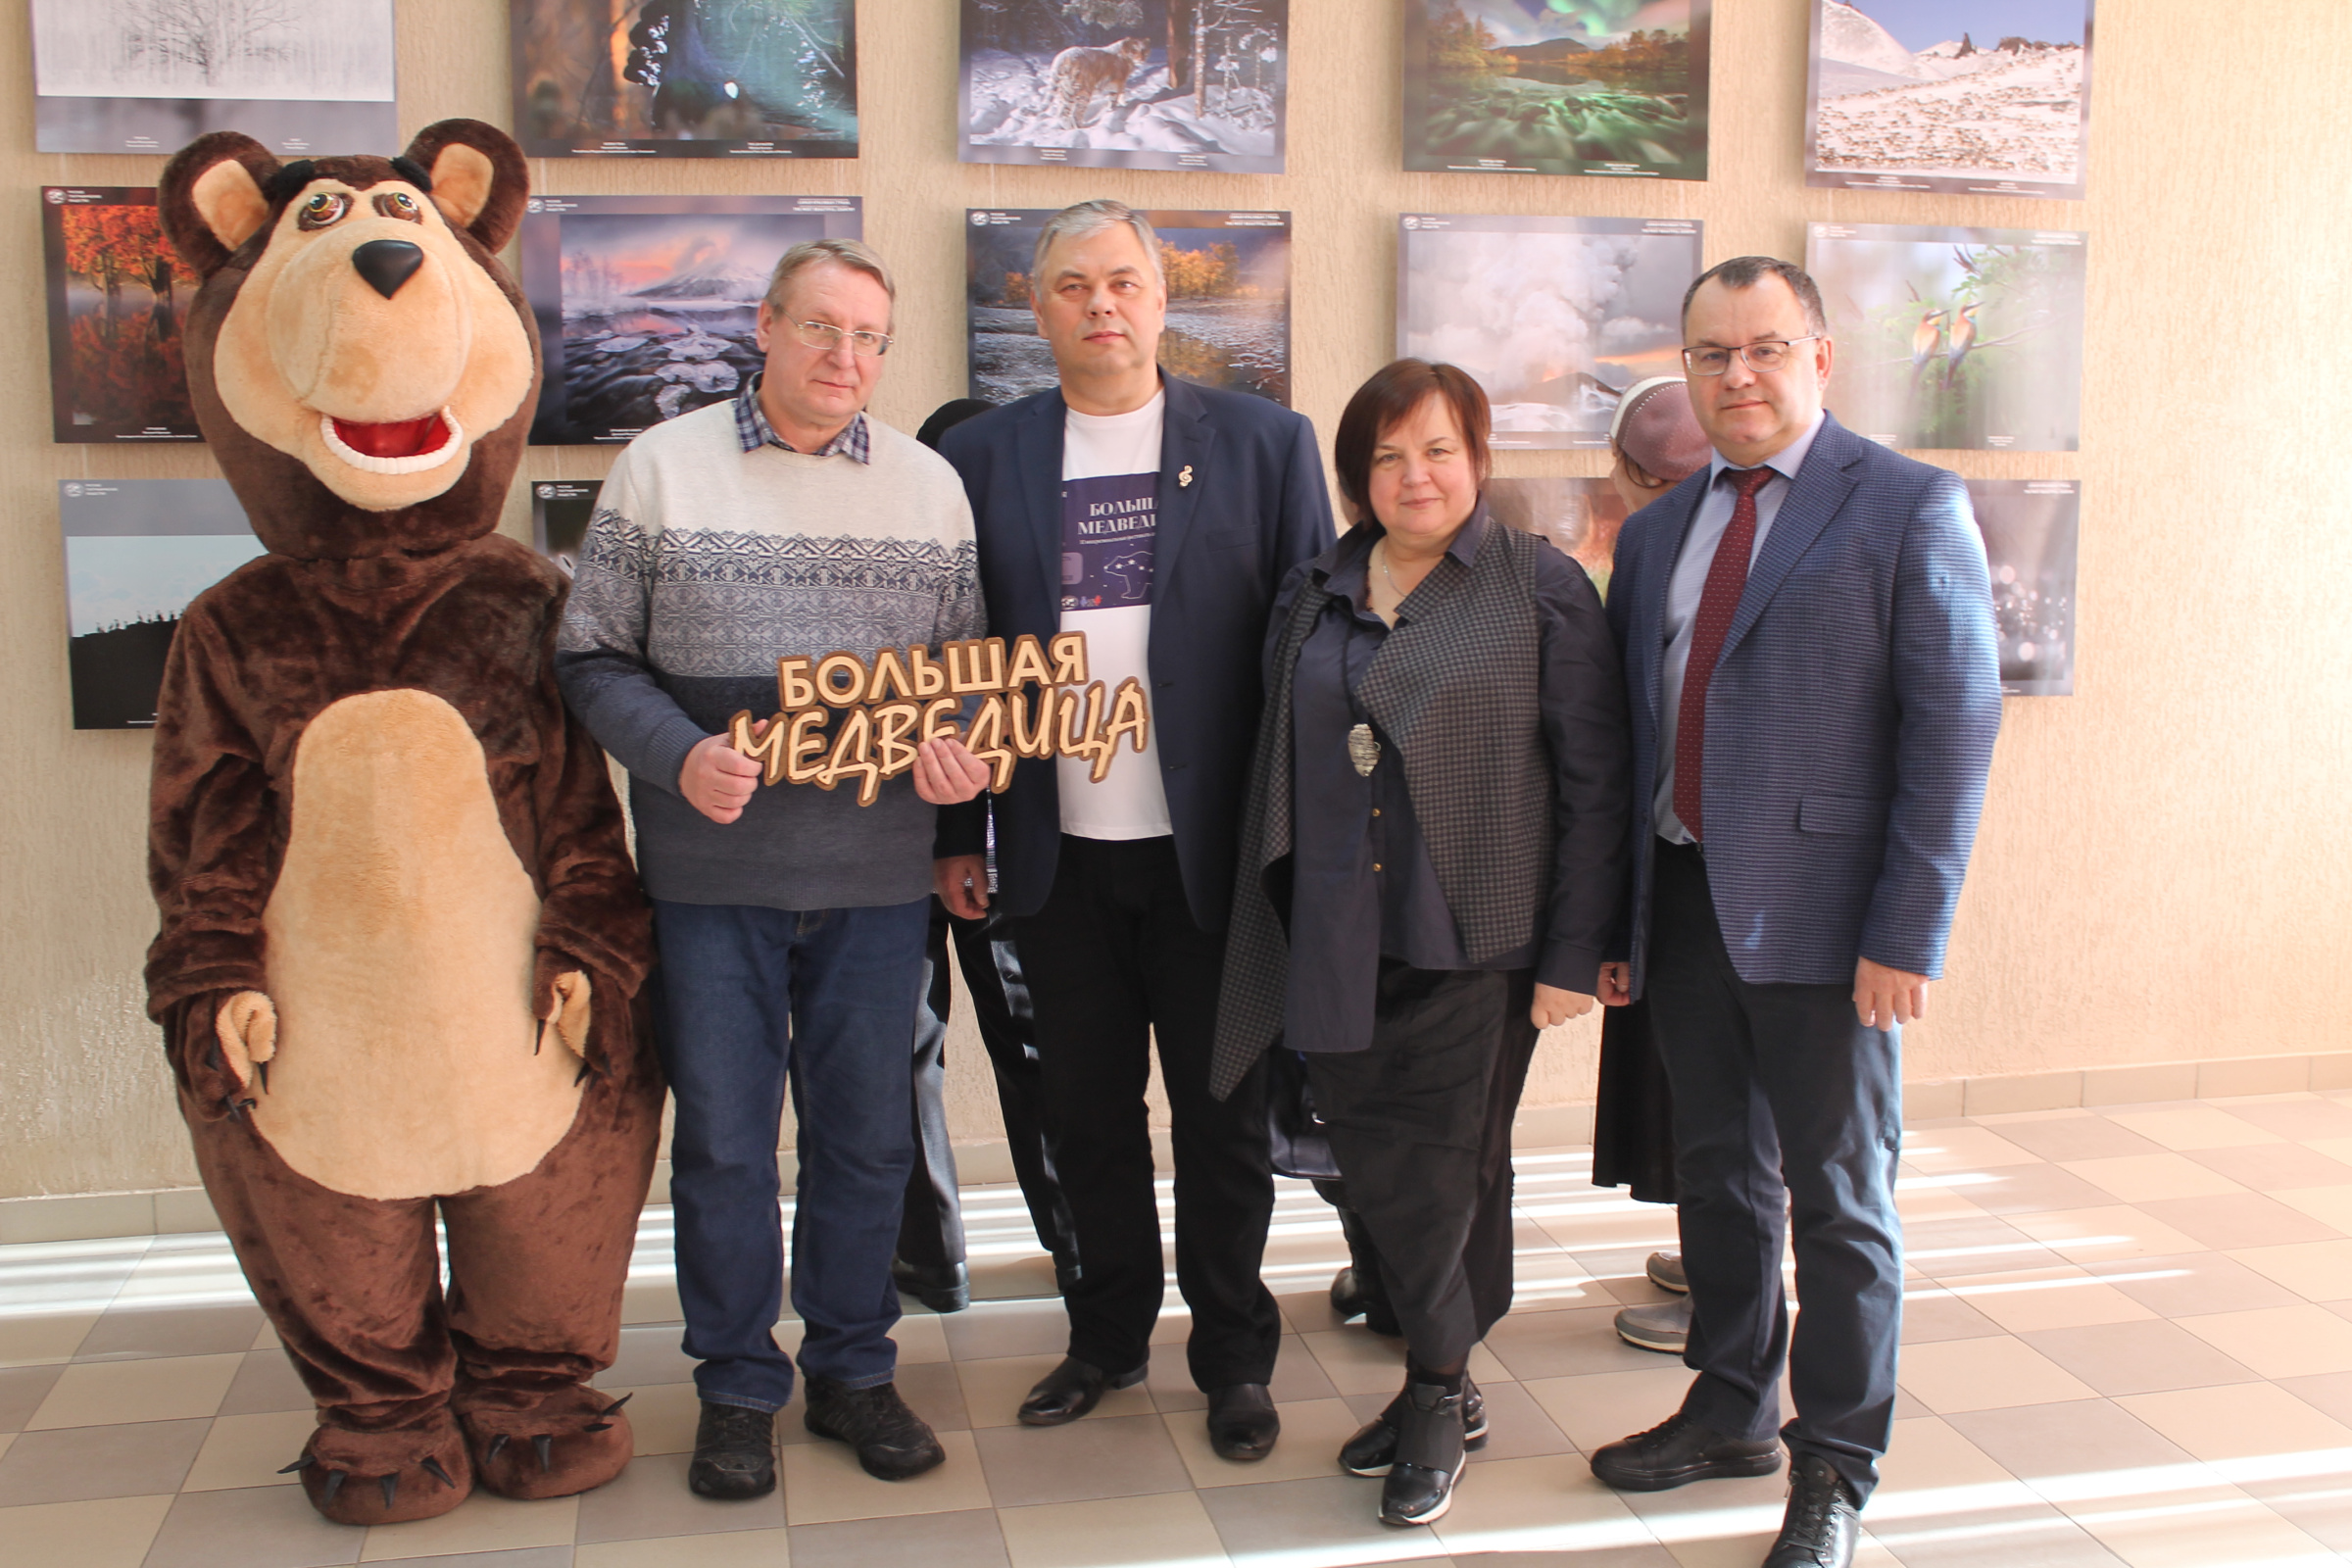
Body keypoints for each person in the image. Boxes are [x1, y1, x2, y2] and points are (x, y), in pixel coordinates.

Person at [557, 239, 995, 1500]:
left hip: (874, 883)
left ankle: (854, 1369)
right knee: (726, 1151)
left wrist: (958, 763)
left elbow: (963, 683)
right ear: (765, 326)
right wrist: (679, 754)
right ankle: (738, 1387)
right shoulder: (660, 467)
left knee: (866, 1146)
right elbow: (591, 659)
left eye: (868, 338)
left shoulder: (929, 488)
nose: (844, 358)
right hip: (710, 884)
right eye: (820, 328)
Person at [1589, 257, 2000, 1568]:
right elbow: (1627, 739)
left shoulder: (1908, 505)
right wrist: (1616, 924)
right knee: (1716, 1174)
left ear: (1820, 356)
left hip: (1833, 927)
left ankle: (1835, 1467)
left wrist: (1906, 934)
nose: (1739, 375)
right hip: (1684, 900)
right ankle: (1729, 1407)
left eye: (1765, 347)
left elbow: (1953, 733)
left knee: (1840, 1200)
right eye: (1713, 354)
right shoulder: (1659, 530)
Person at [935, 200, 1334, 1460]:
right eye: (1072, 284)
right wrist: (955, 831)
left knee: (1225, 1121)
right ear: (1034, 303)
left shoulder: (1267, 444)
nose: (1099, 304)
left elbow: (1312, 650)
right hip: (1053, 852)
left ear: (1162, 298)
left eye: (1122, 281)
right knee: (1086, 1117)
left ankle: (1234, 1357)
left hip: (1212, 856)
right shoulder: (982, 456)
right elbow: (953, 653)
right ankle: (1105, 1336)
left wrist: (1310, 842)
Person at [1212, 359, 1631, 1525]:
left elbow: (1596, 782)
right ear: (1357, 477)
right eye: (1387, 456)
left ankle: (1438, 1391)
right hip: (1334, 931)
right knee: (1377, 1170)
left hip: (1475, 938)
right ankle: (1447, 1378)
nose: (1416, 476)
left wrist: (1573, 955)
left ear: (1478, 459)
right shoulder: (1315, 590)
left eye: (1439, 449)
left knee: (1440, 1175)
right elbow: (1277, 752)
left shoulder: (1537, 584)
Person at [895, 397, 1080, 1314]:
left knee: (925, 1051)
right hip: (934, 844)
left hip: (952, 846)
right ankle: (1064, 1248)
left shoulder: (909, 565)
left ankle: (944, 1257)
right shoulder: (1021, 569)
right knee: (1011, 1044)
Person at [1590, 376, 1712, 1361]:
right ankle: (1713, 1257)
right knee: (1690, 1082)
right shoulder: (1650, 547)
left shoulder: (1659, 538)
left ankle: (1725, 1290)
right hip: (1664, 859)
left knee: (1717, 1095)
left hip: (1731, 880)